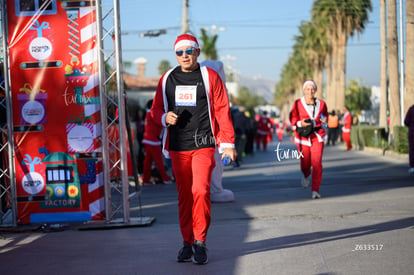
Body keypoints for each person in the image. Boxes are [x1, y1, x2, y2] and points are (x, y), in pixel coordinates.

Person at [150, 34, 236, 265]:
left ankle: (200, 241)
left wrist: (228, 144)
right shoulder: (167, 78)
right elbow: (155, 109)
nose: (185, 55)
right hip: (178, 147)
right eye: (180, 52)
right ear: (175, 54)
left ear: (197, 52)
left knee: (200, 191)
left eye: (189, 51)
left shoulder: (210, 76)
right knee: (184, 196)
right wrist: (163, 117)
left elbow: (222, 109)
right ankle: (187, 243)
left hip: (204, 144)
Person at [289, 79, 328, 199]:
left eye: (312, 89)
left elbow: (324, 116)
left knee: (317, 163)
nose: (310, 91)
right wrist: (300, 123)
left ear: (315, 90)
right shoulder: (297, 104)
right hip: (303, 137)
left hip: (317, 136)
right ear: (304, 90)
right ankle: (306, 175)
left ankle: (315, 190)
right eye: (307, 89)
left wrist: (324, 121)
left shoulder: (322, 104)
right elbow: (292, 118)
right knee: (305, 164)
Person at [142, 99, 172, 185]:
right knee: (158, 161)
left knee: (148, 162)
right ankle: (165, 178)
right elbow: (160, 122)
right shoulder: (152, 114)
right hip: (153, 140)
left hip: (149, 139)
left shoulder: (148, 113)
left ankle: (146, 179)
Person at [404, 105, 414, 174]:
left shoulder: (411, 109)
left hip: (412, 133)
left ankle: (413, 166)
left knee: (412, 149)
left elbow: (406, 121)